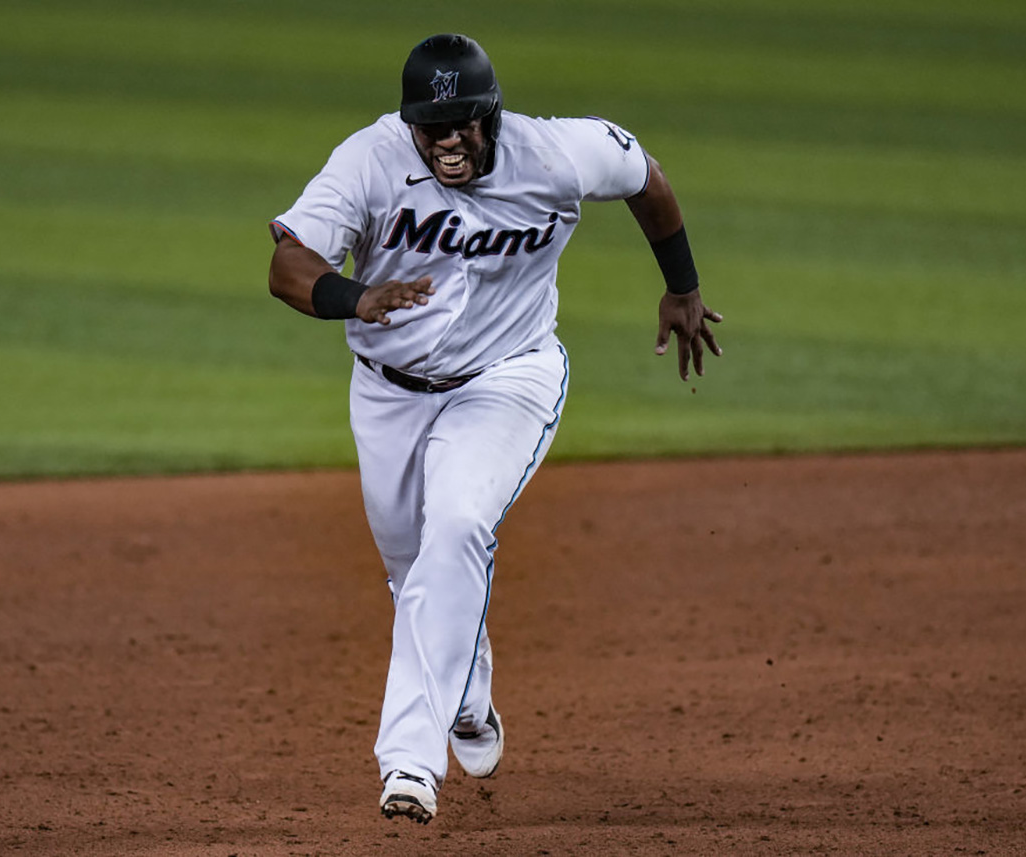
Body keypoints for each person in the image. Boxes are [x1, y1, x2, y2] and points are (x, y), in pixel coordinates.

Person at [267, 33, 722, 824]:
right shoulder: (369, 160)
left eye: (464, 124)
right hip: (388, 396)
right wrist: (353, 296)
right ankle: (469, 701)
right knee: (414, 571)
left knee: (458, 522)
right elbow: (288, 263)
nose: (448, 139)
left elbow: (647, 176)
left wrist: (681, 286)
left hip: (508, 378)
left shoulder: (556, 152)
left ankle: (409, 763)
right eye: (430, 126)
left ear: (493, 115)